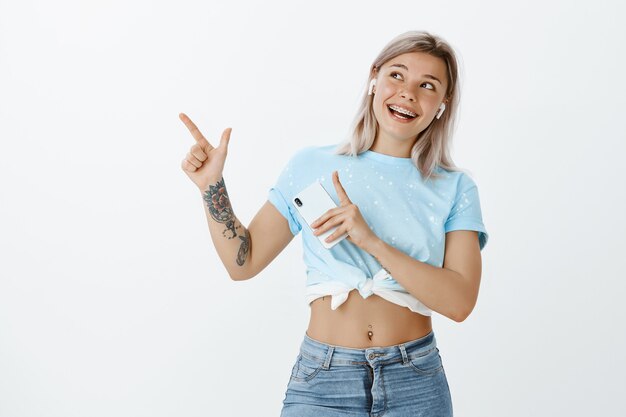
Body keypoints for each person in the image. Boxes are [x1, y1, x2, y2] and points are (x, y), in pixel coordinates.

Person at [180, 30, 488, 417]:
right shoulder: (312, 165)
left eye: (427, 85)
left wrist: (370, 241)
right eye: (397, 75)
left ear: (443, 104)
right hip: (324, 381)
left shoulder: (455, 187)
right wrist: (212, 187)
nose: (408, 93)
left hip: (415, 383)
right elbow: (244, 263)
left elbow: (459, 303)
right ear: (374, 78)